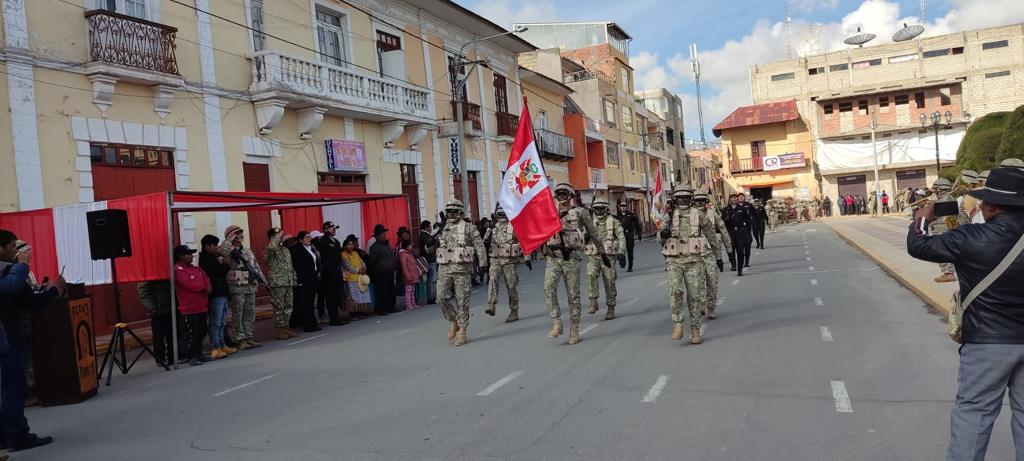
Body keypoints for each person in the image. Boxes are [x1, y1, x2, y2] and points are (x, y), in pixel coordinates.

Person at [905, 167, 1024, 461]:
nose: (980, 205)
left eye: (984, 200)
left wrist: (922, 219)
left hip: (987, 342)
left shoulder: (971, 236)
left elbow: (918, 245)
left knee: (974, 414)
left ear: (994, 205)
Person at [0, 231, 63, 452]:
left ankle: (6, 436)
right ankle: (18, 436)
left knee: (6, 389)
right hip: (10, 335)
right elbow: (26, 300)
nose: (17, 251)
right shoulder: (9, 271)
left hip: (8, 334)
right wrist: (54, 290)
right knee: (12, 388)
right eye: (12, 246)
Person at [543, 183, 606, 345]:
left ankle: (574, 328)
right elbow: (539, 231)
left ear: (570, 195)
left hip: (571, 257)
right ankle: (556, 321)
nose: (561, 197)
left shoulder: (580, 213)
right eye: (558, 194)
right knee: (548, 287)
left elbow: (593, 232)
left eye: (564, 193)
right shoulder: (549, 212)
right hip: (553, 256)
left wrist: (602, 252)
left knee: (573, 295)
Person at [659, 185, 718, 344]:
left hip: (693, 261)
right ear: (676, 199)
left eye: (686, 197)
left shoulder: (698, 215)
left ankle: (695, 330)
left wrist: (718, 256)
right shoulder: (669, 216)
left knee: (695, 296)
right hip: (674, 260)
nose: (683, 199)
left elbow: (711, 235)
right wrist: (663, 235)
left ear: (690, 198)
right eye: (680, 197)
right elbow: (660, 237)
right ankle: (678, 323)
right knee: (675, 291)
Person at [436, 199, 487, 346]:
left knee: (462, 301)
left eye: (454, 211)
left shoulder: (469, 228)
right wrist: (431, 243)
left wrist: (483, 263)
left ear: (460, 212)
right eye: (448, 211)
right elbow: (430, 248)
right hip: (445, 269)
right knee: (440, 298)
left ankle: (463, 331)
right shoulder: (443, 228)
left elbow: (480, 246)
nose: (451, 214)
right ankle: (454, 321)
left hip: (462, 270)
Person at [218, 225, 265, 350]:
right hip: (237, 286)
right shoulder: (227, 249)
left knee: (249, 313)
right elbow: (222, 250)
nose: (240, 236)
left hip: (250, 285)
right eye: (237, 234)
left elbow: (255, 266)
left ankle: (249, 336)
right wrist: (229, 239)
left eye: (241, 233)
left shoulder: (247, 250)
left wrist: (262, 278)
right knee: (238, 313)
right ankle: (240, 339)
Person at [586, 198, 626, 320]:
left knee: (609, 281)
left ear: (606, 209)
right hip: (594, 255)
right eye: (596, 208)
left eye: (601, 208)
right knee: (591, 273)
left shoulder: (613, 221)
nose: (598, 211)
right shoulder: (589, 222)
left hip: (608, 257)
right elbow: (580, 235)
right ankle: (593, 300)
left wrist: (621, 252)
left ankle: (611, 307)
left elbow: (621, 237)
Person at [173, 245, 212, 366]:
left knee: (202, 330)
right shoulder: (178, 269)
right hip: (189, 308)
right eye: (188, 254)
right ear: (181, 256)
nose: (191, 256)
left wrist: (208, 287)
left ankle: (199, 352)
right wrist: (203, 288)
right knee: (191, 333)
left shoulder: (196, 269)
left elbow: (206, 278)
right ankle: (191, 356)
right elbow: (189, 284)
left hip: (201, 305)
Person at [198, 235, 235, 359]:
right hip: (215, 294)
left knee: (222, 321)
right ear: (207, 246)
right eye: (214, 245)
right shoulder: (205, 259)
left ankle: (222, 344)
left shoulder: (213, 257)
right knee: (216, 322)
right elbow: (217, 272)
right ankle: (215, 346)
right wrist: (226, 264)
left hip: (222, 292)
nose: (216, 248)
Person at [484, 206, 523, 322]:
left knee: (511, 286)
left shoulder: (514, 226)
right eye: (500, 214)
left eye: (503, 214)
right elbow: (485, 241)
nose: (502, 217)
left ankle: (514, 310)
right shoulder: (493, 228)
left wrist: (527, 257)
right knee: (492, 280)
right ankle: (491, 304)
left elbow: (523, 241)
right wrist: (489, 229)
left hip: (509, 261)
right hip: (495, 259)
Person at [696, 191, 730, 319]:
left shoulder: (712, 214)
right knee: (697, 283)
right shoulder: (691, 215)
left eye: (702, 201)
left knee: (712, 282)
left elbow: (723, 230)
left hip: (711, 253)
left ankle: (711, 307)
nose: (699, 203)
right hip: (695, 254)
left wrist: (729, 251)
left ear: (706, 202)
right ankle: (700, 305)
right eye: (697, 201)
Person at [264, 228, 298, 340]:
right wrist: (277, 236)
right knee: (279, 307)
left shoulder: (285, 250)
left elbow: (290, 266)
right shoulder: (269, 249)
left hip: (287, 281)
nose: (280, 237)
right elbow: (271, 247)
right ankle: (280, 330)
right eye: (277, 235)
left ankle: (286, 327)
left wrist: (294, 278)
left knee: (288, 306)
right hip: (277, 282)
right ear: (272, 237)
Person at [137, 279, 178, 366]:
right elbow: (143, 292)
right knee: (159, 336)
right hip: (157, 309)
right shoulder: (149, 275)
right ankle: (160, 358)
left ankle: (172, 357)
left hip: (170, 307)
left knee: (171, 334)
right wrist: (151, 308)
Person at [314, 221, 348, 326]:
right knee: (331, 295)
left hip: (337, 270)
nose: (334, 230)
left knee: (338, 294)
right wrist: (326, 234)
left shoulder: (336, 241)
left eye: (335, 228)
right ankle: (333, 318)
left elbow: (339, 255)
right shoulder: (322, 241)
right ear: (326, 229)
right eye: (332, 228)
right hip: (329, 271)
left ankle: (337, 315)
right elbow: (319, 246)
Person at [290, 231, 321, 332]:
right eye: (307, 237)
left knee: (311, 302)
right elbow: (300, 265)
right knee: (305, 302)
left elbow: (316, 261)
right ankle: (307, 325)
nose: (309, 239)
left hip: (313, 278)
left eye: (309, 237)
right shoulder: (297, 250)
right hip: (304, 278)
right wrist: (313, 272)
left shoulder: (311, 248)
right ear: (300, 240)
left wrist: (318, 271)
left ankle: (313, 323)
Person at [929, 178, 957, 283]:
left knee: (940, 250)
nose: (935, 191)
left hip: (941, 228)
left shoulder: (943, 200)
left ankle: (948, 273)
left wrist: (928, 205)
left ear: (940, 189)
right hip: (946, 227)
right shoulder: (950, 198)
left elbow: (935, 215)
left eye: (936, 189)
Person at [367, 224, 397, 315]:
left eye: (385, 233)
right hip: (381, 272)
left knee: (391, 290)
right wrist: (379, 268)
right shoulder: (375, 247)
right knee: (381, 291)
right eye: (382, 234)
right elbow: (372, 261)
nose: (385, 235)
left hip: (389, 270)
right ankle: (381, 308)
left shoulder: (387, 244)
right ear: (378, 236)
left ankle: (390, 307)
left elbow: (391, 256)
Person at [340, 235, 371, 319]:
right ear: (345, 246)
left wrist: (364, 268)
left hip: (359, 277)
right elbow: (347, 266)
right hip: (350, 278)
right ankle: (353, 314)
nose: (351, 246)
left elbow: (362, 262)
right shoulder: (343, 254)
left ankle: (361, 311)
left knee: (361, 295)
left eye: (352, 244)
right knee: (352, 297)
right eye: (349, 245)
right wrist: (358, 270)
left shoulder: (355, 253)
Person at [723, 194, 753, 275]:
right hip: (730, 233)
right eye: (732, 198)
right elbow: (722, 223)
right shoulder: (726, 210)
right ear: (730, 199)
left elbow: (748, 221)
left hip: (741, 233)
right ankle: (733, 265)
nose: (734, 199)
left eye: (735, 198)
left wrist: (748, 233)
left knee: (740, 251)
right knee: (731, 250)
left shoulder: (742, 209)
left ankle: (740, 270)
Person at [616, 203, 643, 272]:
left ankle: (630, 267)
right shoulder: (618, 216)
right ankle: (622, 262)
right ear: (620, 208)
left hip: (629, 235)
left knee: (630, 252)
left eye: (624, 206)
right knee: (621, 251)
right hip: (621, 236)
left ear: (626, 207)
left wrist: (639, 233)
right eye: (622, 207)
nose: (623, 208)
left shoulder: (631, 215)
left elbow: (636, 224)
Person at [398, 240, 422, 311]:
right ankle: (408, 305)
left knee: (412, 290)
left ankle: (413, 303)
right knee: (408, 290)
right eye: (410, 245)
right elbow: (404, 266)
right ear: (406, 246)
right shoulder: (403, 254)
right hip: (408, 276)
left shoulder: (410, 253)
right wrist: (407, 276)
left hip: (413, 274)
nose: (411, 246)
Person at [418, 220, 438, 304]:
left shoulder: (425, 235)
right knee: (431, 279)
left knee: (431, 279)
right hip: (429, 259)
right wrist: (435, 238)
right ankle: (430, 297)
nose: (431, 228)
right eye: (430, 227)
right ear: (426, 227)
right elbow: (429, 244)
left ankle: (432, 296)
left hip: (429, 259)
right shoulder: (424, 235)